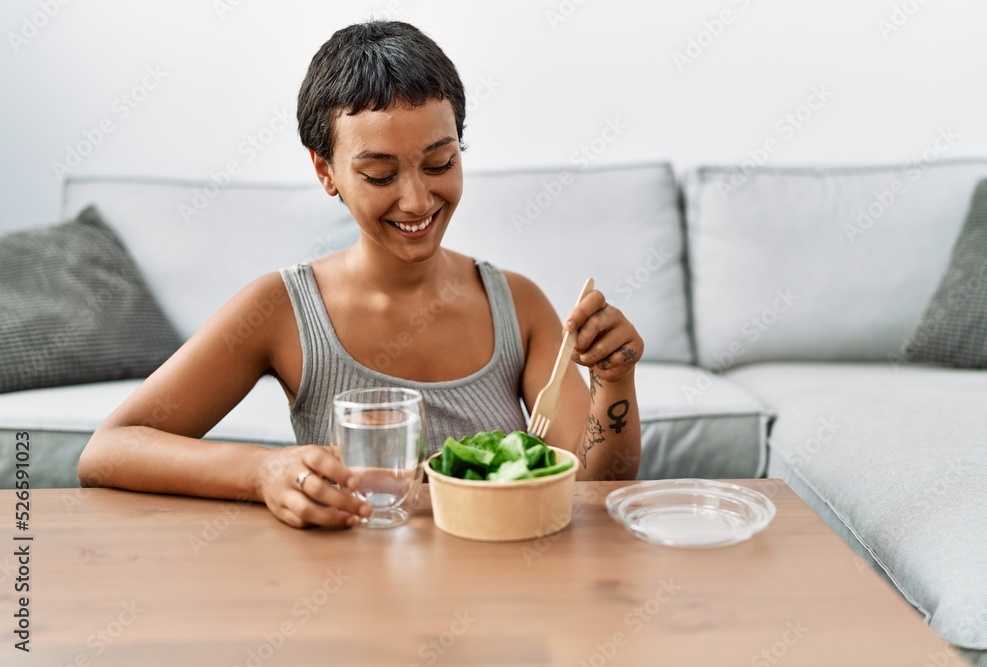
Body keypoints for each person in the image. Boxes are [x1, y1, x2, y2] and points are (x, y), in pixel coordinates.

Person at [78, 20, 644, 529]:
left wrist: (613, 383)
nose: (417, 199)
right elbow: (108, 450)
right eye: (379, 174)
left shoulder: (517, 304)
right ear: (325, 171)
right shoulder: (282, 308)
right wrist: (263, 471)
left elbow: (597, 487)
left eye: (441, 163)